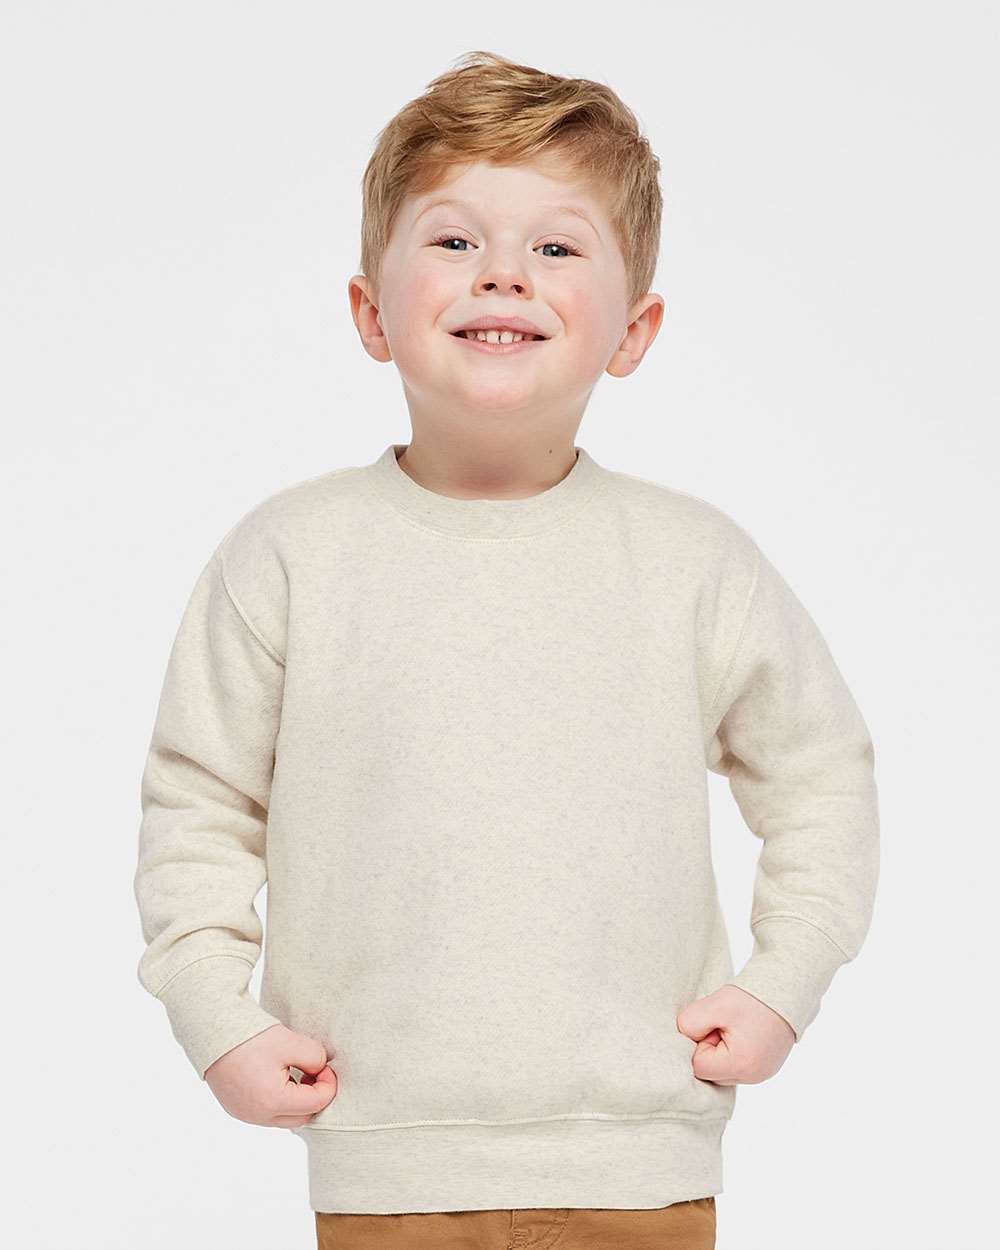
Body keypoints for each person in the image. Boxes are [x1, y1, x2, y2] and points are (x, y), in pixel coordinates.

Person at [133, 49, 880, 1250]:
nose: (502, 272)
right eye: (453, 238)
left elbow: (820, 774)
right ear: (370, 312)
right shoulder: (287, 556)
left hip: (641, 1156)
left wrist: (780, 980)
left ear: (632, 329)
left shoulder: (694, 562)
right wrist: (214, 1013)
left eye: (556, 246)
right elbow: (199, 804)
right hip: (384, 1159)